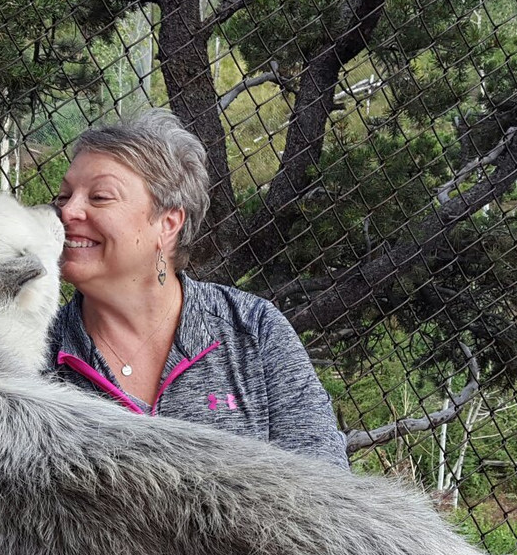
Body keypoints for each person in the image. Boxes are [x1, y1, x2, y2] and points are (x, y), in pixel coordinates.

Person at [47, 108, 349, 468]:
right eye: (64, 196)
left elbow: (325, 486)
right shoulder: (37, 351)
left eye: (99, 197)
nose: (67, 212)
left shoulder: (253, 331)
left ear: (168, 223)